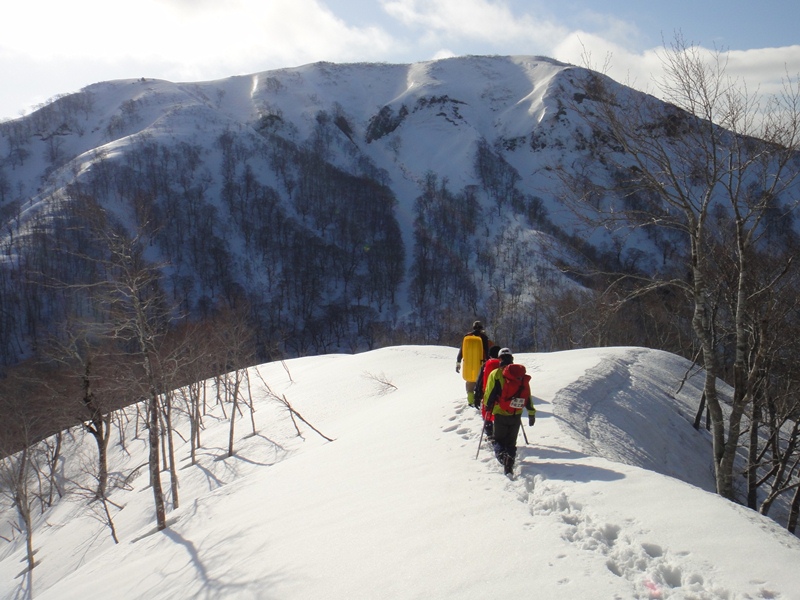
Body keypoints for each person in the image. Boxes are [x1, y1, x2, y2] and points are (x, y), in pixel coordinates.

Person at [483, 348, 535, 476]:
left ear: (499, 359)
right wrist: (531, 412)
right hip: (516, 414)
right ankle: (509, 463)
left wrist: (487, 408)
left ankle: (502, 457)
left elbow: (489, 393)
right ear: (512, 358)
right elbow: (527, 394)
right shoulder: (520, 374)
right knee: (511, 443)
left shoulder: (495, 373)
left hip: (500, 413)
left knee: (499, 441)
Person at [456, 321, 491, 407]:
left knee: (470, 381)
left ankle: (471, 400)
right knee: (480, 382)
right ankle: (479, 400)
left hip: (468, 363)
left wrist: (458, 362)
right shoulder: (483, 337)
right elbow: (487, 352)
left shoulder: (467, 337)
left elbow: (461, 351)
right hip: (481, 363)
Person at [475, 345, 501, 442]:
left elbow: (480, 381)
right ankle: (499, 433)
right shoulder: (504, 365)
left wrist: (477, 395)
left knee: (487, 414)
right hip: (503, 395)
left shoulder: (487, 364)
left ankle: (489, 433)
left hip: (487, 394)